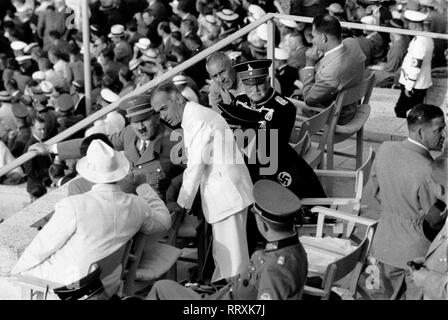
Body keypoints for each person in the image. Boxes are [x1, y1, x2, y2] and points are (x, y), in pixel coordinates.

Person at [11, 139, 171, 299]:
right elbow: (165, 222)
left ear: (89, 174)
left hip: (75, 285)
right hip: (110, 280)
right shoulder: (136, 204)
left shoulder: (73, 205)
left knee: (13, 278)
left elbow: (42, 247)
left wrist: (15, 272)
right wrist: (143, 186)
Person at [150, 81, 254, 283]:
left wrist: (181, 204)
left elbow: (196, 165)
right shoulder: (193, 116)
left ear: (178, 98)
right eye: (158, 112)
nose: (162, 116)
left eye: (164, 108)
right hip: (225, 194)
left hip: (227, 195)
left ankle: (237, 300)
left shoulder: (197, 119)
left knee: (234, 262)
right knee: (226, 259)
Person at [147, 179, 308, 300]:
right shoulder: (293, 249)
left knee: (162, 288)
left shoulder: (275, 268)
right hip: (226, 294)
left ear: (263, 224)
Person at [29, 95, 185, 208]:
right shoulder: (129, 132)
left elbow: (190, 173)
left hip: (148, 205)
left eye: (145, 120)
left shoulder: (174, 140)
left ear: (157, 117)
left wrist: (172, 193)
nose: (140, 127)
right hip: (125, 195)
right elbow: (97, 144)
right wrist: (51, 148)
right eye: (136, 122)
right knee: (77, 187)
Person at [362, 104, 446, 300]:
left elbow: (372, 192)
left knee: (378, 295)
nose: (443, 134)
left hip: (381, 242)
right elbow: (434, 217)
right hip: (415, 252)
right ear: (420, 131)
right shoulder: (428, 170)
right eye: (438, 129)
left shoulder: (386, 148)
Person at [299, 14, 366, 125]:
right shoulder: (352, 42)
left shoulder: (330, 74)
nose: (312, 41)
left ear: (323, 37)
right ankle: (269, 141)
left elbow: (308, 99)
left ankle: (268, 142)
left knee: (273, 114)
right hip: (350, 108)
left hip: (334, 117)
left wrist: (309, 64)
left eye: (314, 36)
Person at [409, 156, 447, 300]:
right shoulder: (442, 214)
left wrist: (427, 280)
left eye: (430, 182)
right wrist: (430, 262)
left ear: (439, 189)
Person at [394, 10, 434, 118]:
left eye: (408, 24)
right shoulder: (426, 38)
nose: (407, 27)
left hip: (414, 85)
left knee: (401, 110)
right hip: (419, 83)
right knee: (416, 111)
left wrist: (409, 86)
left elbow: (415, 66)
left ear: (413, 24)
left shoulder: (420, 42)